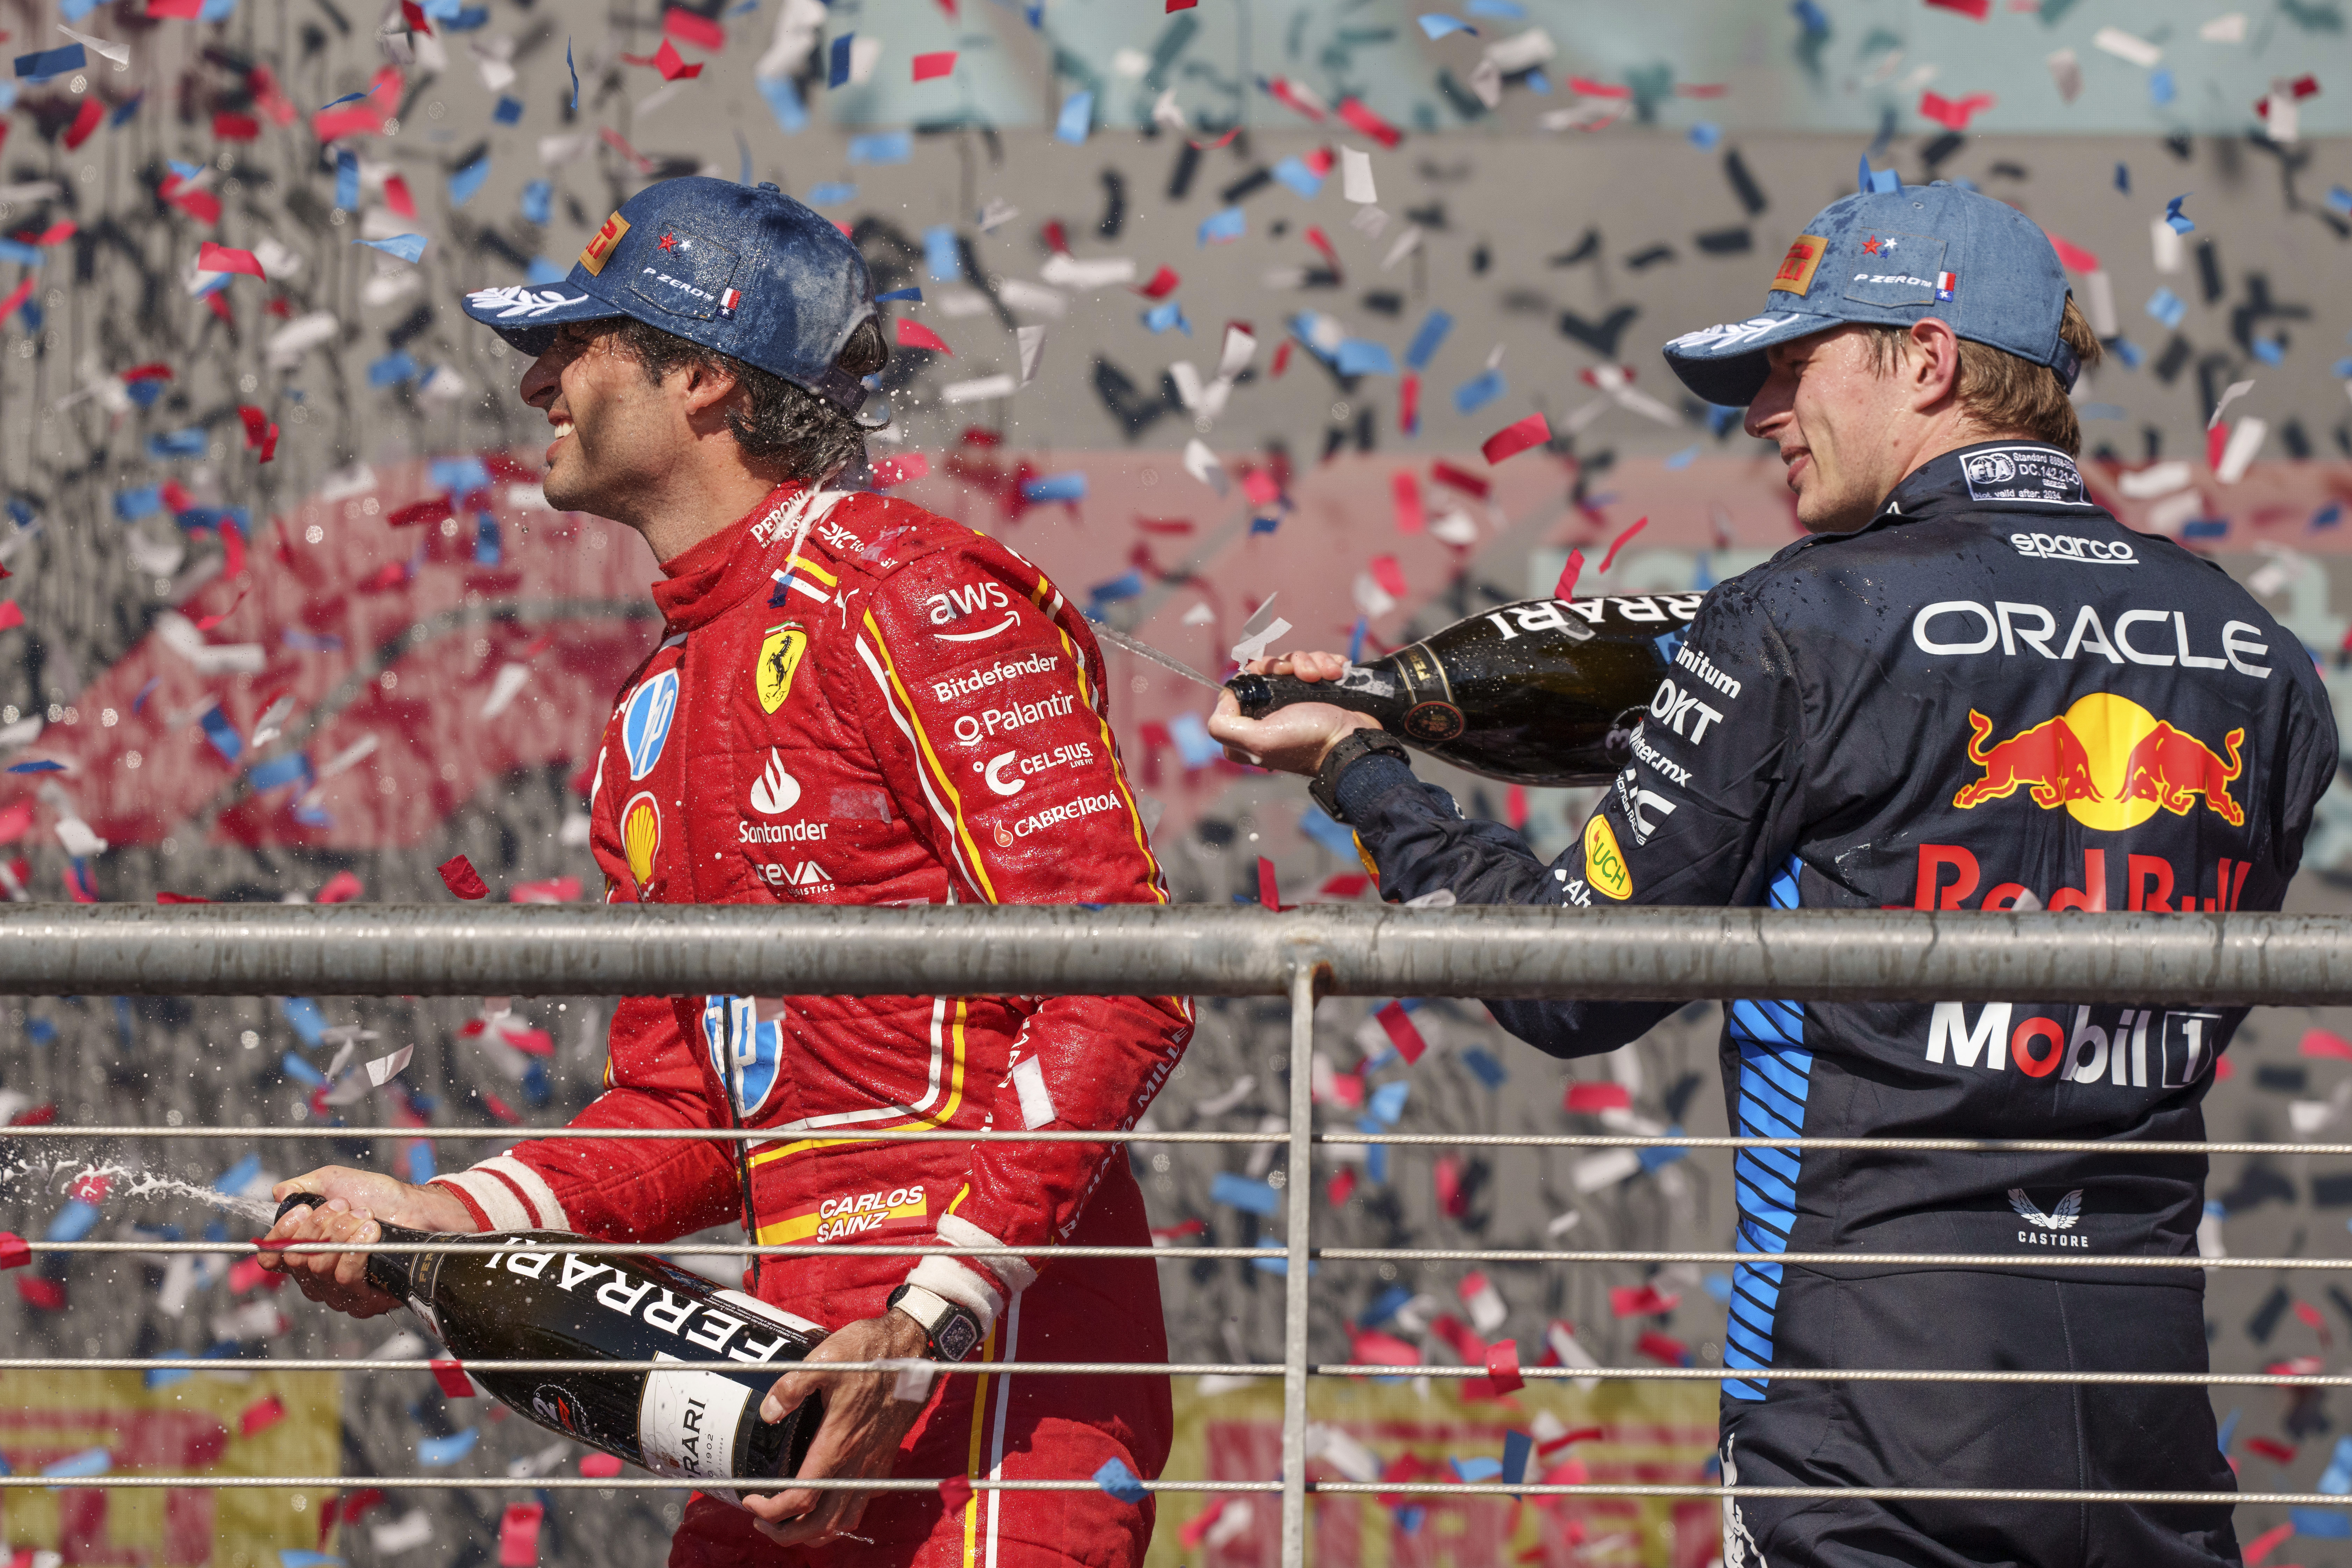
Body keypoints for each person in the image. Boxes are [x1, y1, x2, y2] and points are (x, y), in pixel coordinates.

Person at [1209, 180, 2337, 1567]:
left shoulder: (1797, 615)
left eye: (1792, 367)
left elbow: (1563, 985)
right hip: (2143, 1431)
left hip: (1861, 1423)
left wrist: (1357, 775)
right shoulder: (2256, 655)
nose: (1758, 415)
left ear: (1921, 362)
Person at [258, 176, 1193, 1567]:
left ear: (702, 375)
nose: (535, 385)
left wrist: (923, 1324)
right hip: (781, 1385)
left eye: (576, 344)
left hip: (985, 1385)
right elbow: (693, 1101)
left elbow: (1125, 985)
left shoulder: (909, 595)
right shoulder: (652, 706)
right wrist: (445, 1221)